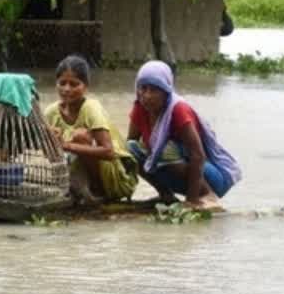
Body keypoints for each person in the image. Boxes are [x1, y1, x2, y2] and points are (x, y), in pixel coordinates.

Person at [127, 60, 241, 211]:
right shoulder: (140, 107)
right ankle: (166, 195)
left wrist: (191, 200)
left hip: (207, 177)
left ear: (166, 91)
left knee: (165, 149)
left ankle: (207, 195)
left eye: (154, 90)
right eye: (143, 88)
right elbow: (131, 143)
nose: (147, 95)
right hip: (176, 174)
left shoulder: (178, 110)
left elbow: (198, 155)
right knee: (130, 149)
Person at [44, 55, 137, 204]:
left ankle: (98, 192)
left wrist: (67, 145)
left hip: (115, 179)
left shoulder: (91, 108)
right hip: (77, 175)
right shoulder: (51, 112)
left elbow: (108, 151)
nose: (67, 89)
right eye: (62, 83)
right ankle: (73, 190)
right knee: (50, 139)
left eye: (74, 84)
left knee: (80, 136)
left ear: (85, 86)